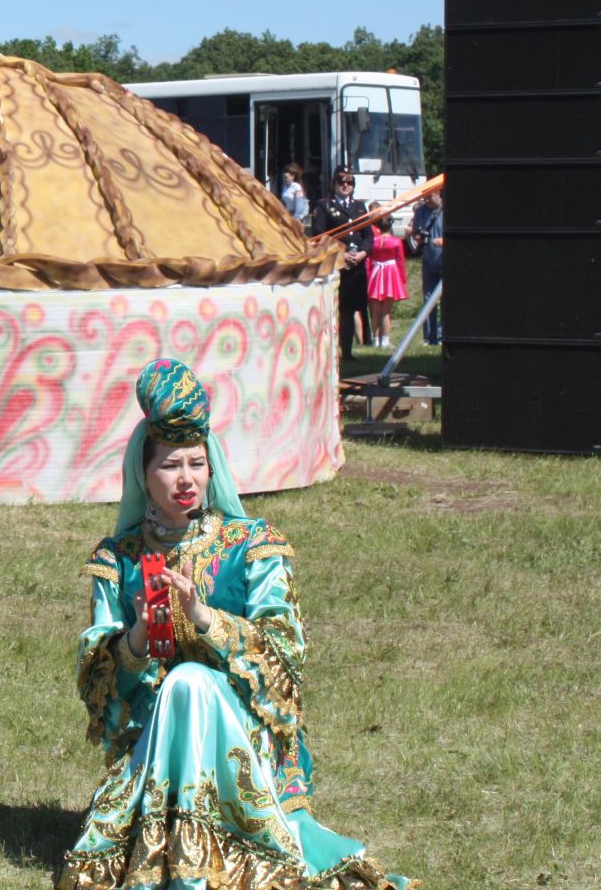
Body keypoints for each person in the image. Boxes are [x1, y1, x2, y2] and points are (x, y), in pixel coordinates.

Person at [59, 358, 415, 890]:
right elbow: (101, 695)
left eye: (197, 464)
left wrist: (205, 620)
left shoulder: (254, 547)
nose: (186, 480)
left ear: (213, 466)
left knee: (194, 682)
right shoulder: (120, 559)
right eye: (170, 465)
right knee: (183, 685)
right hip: (157, 742)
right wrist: (136, 635)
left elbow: (286, 664)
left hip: (243, 736)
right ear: (143, 472)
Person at [311, 169, 369, 359]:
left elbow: (368, 235)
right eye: (341, 182)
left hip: (356, 265)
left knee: (350, 308)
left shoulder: (359, 207)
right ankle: (330, 350)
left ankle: (347, 351)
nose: (346, 185)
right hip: (336, 264)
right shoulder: (324, 206)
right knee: (334, 308)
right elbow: (320, 235)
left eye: (350, 182)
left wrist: (362, 253)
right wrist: (341, 254)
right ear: (334, 184)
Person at [365, 207, 408, 351]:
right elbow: (400, 262)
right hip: (391, 273)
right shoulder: (396, 242)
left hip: (376, 271)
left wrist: (369, 275)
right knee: (386, 311)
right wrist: (402, 279)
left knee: (375, 309)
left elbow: (368, 260)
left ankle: (375, 339)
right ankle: (385, 340)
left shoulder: (374, 241)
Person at [408, 191, 443, 344]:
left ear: (438, 194)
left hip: (445, 260)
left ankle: (443, 334)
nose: (427, 200)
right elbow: (416, 231)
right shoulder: (420, 211)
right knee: (428, 299)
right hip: (428, 259)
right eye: (424, 198)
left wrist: (442, 240)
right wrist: (418, 237)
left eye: (430, 197)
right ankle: (430, 336)